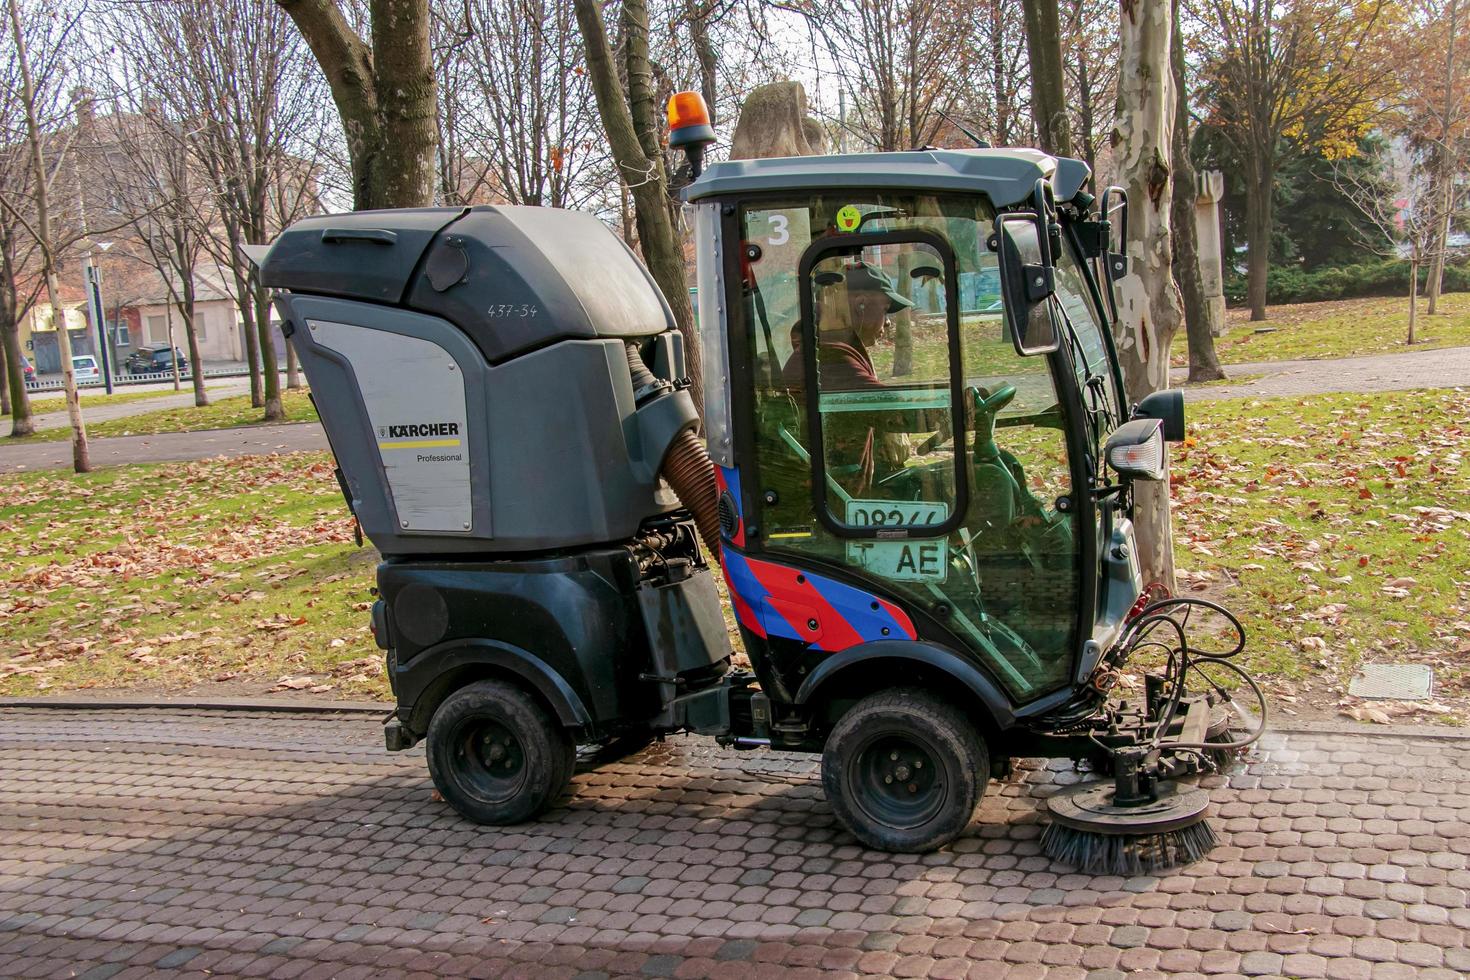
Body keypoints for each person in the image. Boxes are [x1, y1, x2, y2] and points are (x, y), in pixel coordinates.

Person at [782, 261, 913, 495]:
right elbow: (895, 408)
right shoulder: (828, 356)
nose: (889, 322)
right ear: (861, 304)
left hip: (840, 490)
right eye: (885, 309)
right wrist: (961, 406)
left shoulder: (823, 348)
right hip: (837, 503)